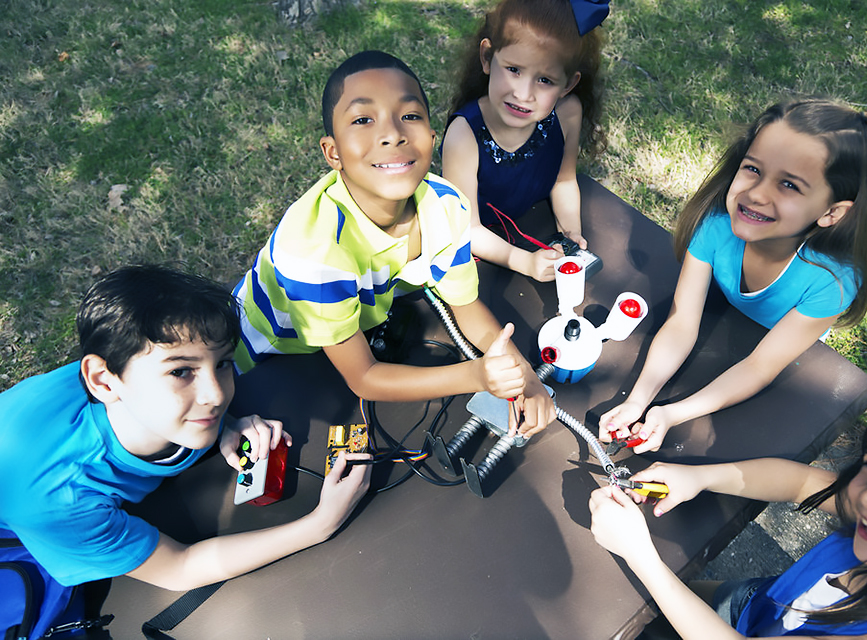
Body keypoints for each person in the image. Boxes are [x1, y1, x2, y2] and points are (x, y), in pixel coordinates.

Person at [0, 266, 371, 623]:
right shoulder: (61, 502)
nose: (215, 394)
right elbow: (178, 568)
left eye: (223, 363)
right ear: (104, 381)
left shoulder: (131, 376)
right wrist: (320, 524)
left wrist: (224, 425)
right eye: (181, 372)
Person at [233, 50, 555, 435]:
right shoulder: (314, 254)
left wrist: (528, 380)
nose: (392, 133)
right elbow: (364, 377)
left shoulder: (445, 204)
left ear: (432, 138)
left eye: (410, 115)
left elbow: (467, 309)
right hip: (267, 361)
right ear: (332, 152)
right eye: (363, 119)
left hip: (339, 337)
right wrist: (479, 375)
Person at [600, 99, 867, 453]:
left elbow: (760, 366)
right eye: (753, 169)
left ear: (832, 212)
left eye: (789, 185)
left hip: (779, 341)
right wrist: (638, 400)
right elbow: (680, 325)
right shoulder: (716, 226)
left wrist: (671, 414)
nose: (755, 194)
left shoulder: (831, 281)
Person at [589, 391, 867, 638]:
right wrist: (698, 477)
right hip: (761, 603)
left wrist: (642, 556)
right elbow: (800, 482)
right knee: (652, 609)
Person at [441, 0, 606, 282]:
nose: (523, 93)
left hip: (536, 226)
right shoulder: (464, 134)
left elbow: (563, 182)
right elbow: (465, 228)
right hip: (482, 256)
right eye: (514, 69)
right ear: (487, 57)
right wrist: (525, 262)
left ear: (568, 84)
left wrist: (570, 234)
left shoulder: (566, 114)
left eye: (544, 80)